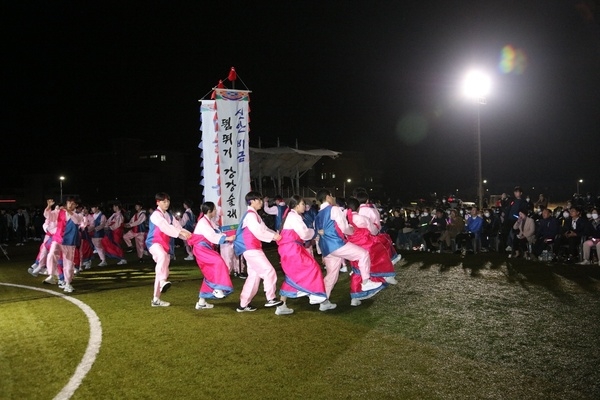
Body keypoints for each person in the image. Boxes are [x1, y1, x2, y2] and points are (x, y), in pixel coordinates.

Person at [314, 189, 382, 304]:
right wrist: (351, 231)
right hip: (337, 244)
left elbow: (317, 236)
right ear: (328, 197)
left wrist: (322, 253)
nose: (333, 198)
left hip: (327, 248)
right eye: (332, 196)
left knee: (331, 276)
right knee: (363, 254)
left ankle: (323, 300)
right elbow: (344, 227)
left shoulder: (317, 216)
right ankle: (366, 282)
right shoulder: (334, 209)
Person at [275, 195, 336, 315]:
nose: (305, 206)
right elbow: (304, 234)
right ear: (297, 205)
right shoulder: (294, 217)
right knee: (313, 269)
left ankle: (282, 305)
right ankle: (318, 298)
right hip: (293, 249)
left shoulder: (290, 215)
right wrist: (315, 233)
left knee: (293, 277)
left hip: (289, 249)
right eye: (303, 204)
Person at [233, 191, 284, 312]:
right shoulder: (251, 215)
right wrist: (274, 237)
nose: (261, 202)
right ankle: (270, 298)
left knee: (254, 276)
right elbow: (259, 232)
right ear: (252, 201)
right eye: (259, 200)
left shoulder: (253, 214)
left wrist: (275, 235)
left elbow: (264, 229)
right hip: (251, 248)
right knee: (269, 270)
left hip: (251, 248)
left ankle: (243, 304)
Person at [145, 192, 192, 307]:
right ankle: (162, 282)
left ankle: (156, 299)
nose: (166, 203)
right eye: (164, 201)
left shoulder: (169, 215)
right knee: (161, 257)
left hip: (164, 245)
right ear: (158, 202)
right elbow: (165, 227)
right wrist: (181, 233)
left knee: (163, 271)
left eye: (168, 201)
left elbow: (178, 227)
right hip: (154, 243)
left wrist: (189, 235)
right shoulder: (156, 215)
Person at [188, 201, 235, 309]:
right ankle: (217, 289)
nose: (216, 211)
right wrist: (227, 238)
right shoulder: (203, 223)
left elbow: (217, 232)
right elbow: (212, 236)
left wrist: (228, 236)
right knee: (218, 262)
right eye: (214, 209)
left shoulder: (208, 221)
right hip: (201, 250)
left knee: (209, 273)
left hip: (205, 249)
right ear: (209, 211)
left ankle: (201, 302)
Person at [42, 197, 85, 293]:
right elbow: (49, 216)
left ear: (76, 205)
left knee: (68, 263)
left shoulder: (79, 215)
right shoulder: (59, 212)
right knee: (52, 254)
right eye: (68, 202)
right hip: (58, 238)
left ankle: (68, 283)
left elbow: (77, 221)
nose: (69, 204)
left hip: (69, 241)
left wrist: (69, 211)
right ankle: (52, 274)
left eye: (72, 203)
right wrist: (49, 207)